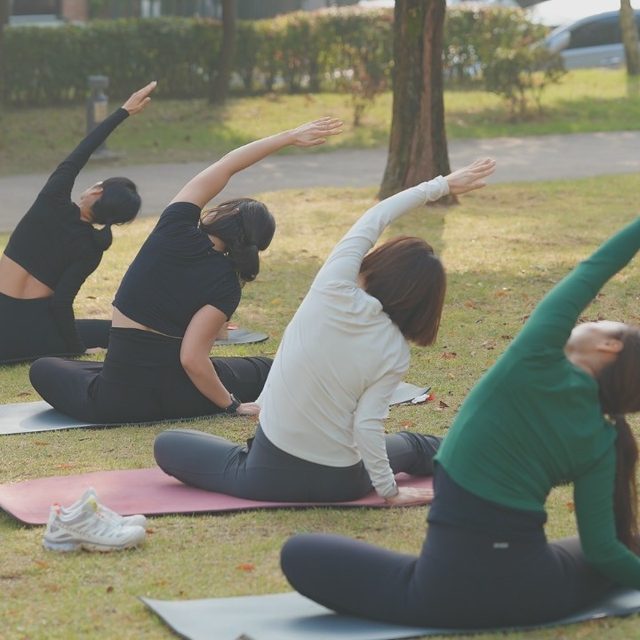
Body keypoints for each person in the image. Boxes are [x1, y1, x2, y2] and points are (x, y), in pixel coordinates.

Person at [279, 215, 640, 629]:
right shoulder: (604, 440)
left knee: (300, 552)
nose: (591, 320)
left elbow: (594, 269)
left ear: (611, 345)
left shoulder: (535, 359)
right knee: (622, 548)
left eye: (605, 323)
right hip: (536, 595)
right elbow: (603, 552)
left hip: (439, 595)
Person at [152, 159, 496, 503]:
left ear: (377, 267)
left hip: (267, 476)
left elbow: (376, 217)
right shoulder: (395, 350)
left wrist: (442, 185)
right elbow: (367, 427)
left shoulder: (333, 287)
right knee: (416, 446)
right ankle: (486, 458)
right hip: (343, 482)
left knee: (168, 443)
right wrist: (388, 491)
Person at [29, 117, 343, 424]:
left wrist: (289, 136)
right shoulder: (228, 284)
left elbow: (228, 164)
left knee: (43, 367)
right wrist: (229, 404)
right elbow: (193, 359)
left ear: (225, 212)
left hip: (118, 401)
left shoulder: (175, 228)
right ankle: (329, 376)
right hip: (179, 395)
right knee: (262, 368)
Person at [0, 82, 156, 363]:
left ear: (97, 190)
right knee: (109, 330)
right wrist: (77, 349)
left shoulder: (51, 201)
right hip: (32, 339)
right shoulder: (92, 248)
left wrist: (123, 111)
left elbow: (81, 153)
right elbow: (60, 304)